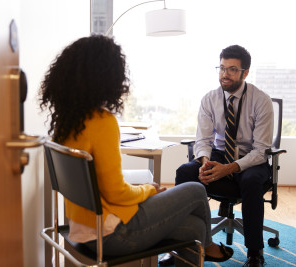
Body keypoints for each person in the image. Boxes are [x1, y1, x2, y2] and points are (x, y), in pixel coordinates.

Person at [39, 34, 233, 266]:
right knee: (195, 190)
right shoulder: (102, 122)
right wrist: (148, 190)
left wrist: (143, 191)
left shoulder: (68, 122)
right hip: (112, 234)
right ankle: (209, 247)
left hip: (83, 228)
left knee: (195, 227)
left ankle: (201, 246)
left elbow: (106, 188)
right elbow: (116, 193)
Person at [162, 45, 273, 267]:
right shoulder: (210, 99)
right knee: (185, 172)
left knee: (251, 182)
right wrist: (205, 162)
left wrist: (229, 168)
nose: (225, 74)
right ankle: (180, 244)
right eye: (221, 68)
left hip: (250, 158)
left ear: (245, 72)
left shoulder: (261, 100)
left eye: (232, 69)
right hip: (219, 154)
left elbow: (261, 150)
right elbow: (202, 140)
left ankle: (254, 252)